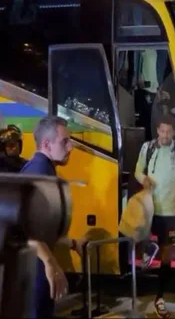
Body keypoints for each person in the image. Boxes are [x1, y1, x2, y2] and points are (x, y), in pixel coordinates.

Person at [20, 116, 84, 318]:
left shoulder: (41, 168)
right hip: (34, 274)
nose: (71, 146)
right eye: (64, 141)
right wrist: (50, 263)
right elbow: (25, 225)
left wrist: (72, 243)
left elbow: (42, 228)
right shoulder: (41, 171)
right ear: (46, 144)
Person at [134, 114, 175, 318]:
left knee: (167, 254)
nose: (165, 135)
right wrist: (144, 178)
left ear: (173, 132)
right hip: (150, 206)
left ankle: (160, 297)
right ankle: (148, 253)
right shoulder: (147, 148)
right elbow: (137, 171)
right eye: (162, 131)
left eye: (169, 132)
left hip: (169, 209)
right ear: (157, 130)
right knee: (147, 243)